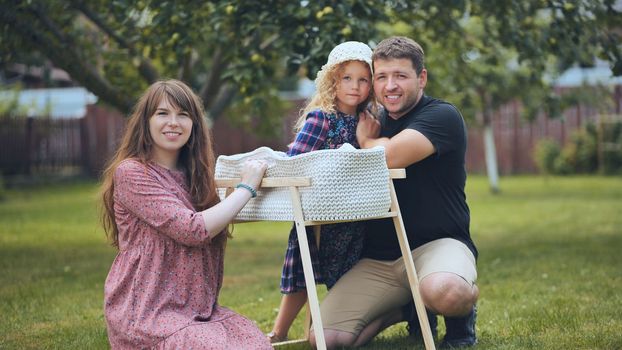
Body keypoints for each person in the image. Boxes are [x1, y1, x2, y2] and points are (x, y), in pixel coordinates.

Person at [310, 36, 479, 349]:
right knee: (326, 339)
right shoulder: (372, 120)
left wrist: (365, 142)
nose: (390, 86)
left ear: (421, 78)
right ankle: (410, 308)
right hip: (380, 259)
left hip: (437, 246)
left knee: (449, 291)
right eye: (381, 77)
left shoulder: (442, 116)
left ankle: (459, 326)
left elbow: (389, 156)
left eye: (400, 76)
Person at [100, 79, 271, 349]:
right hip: (148, 315)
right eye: (163, 113)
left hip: (199, 313)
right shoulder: (132, 173)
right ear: (146, 121)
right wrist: (247, 187)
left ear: (194, 124)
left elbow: (218, 221)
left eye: (183, 114)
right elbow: (193, 229)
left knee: (257, 345)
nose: (174, 122)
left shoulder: (196, 178)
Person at [266, 41, 377, 343]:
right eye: (347, 78)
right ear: (332, 81)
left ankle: (336, 321)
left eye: (363, 79)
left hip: (353, 217)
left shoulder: (368, 123)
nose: (355, 86)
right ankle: (279, 330)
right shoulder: (322, 119)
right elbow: (296, 162)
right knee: (303, 276)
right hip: (317, 213)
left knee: (346, 276)